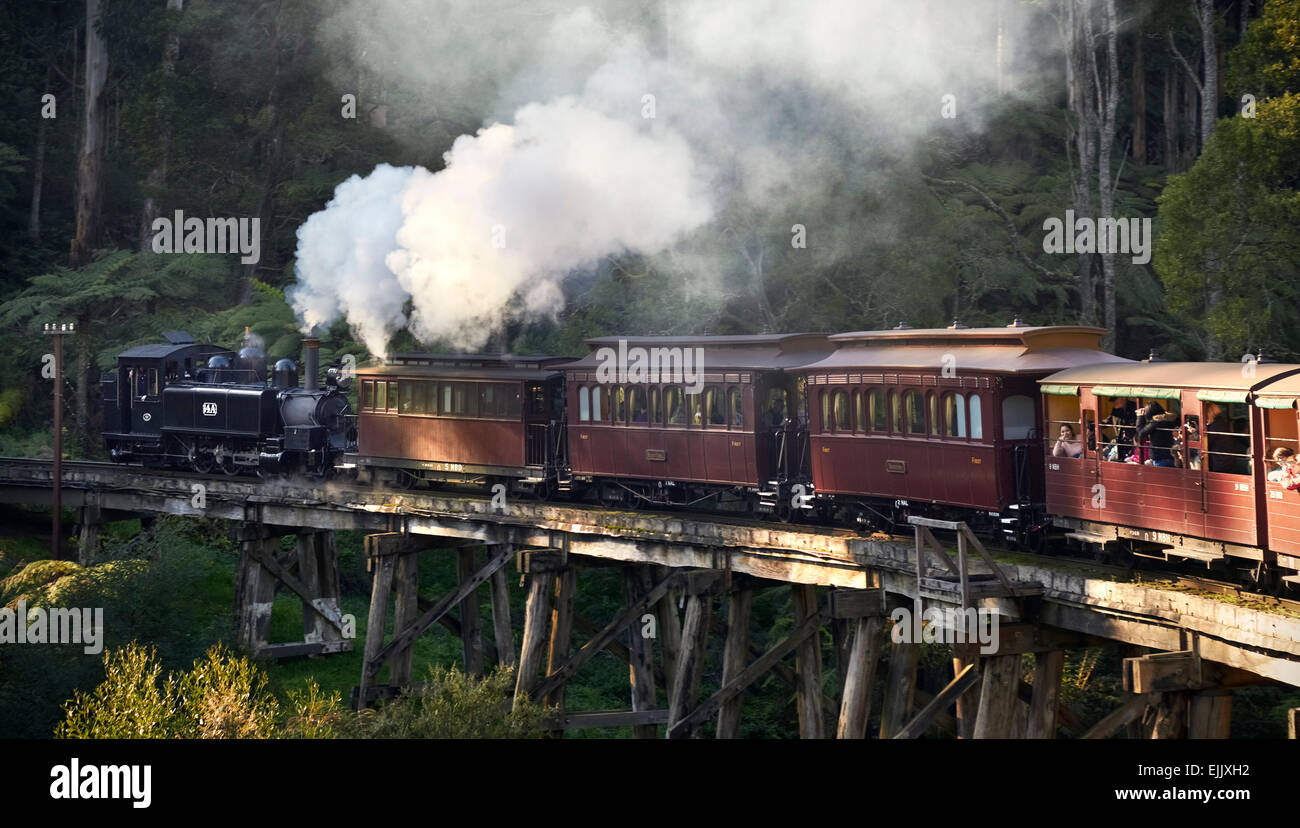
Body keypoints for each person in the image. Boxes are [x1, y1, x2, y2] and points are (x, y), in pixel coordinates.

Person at [1137, 401, 1179, 466]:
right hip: (1168, 456)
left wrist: (1140, 417)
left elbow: (1141, 432)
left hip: (1159, 457)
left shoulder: (1156, 422)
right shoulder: (1167, 419)